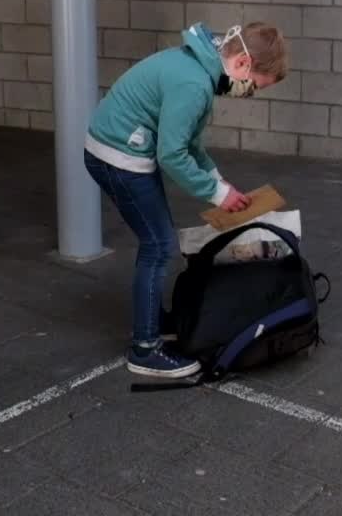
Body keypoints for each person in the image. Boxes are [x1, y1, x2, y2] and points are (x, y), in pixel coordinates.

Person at [84, 22, 287, 378]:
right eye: (254, 85)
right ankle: (145, 349)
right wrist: (218, 194)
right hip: (117, 156)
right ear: (242, 63)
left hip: (121, 147)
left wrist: (216, 179)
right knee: (159, 245)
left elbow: (190, 141)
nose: (249, 92)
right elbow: (172, 154)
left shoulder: (199, 64)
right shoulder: (194, 84)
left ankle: (153, 321)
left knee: (158, 240)